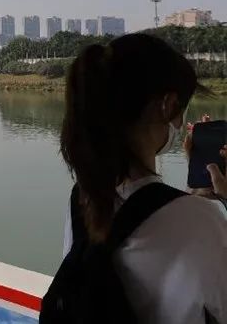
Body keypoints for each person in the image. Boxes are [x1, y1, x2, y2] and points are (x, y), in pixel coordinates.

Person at [55, 33, 227, 323]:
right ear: (168, 105)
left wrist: (191, 196)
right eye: (183, 108)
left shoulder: (82, 199)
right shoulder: (201, 221)